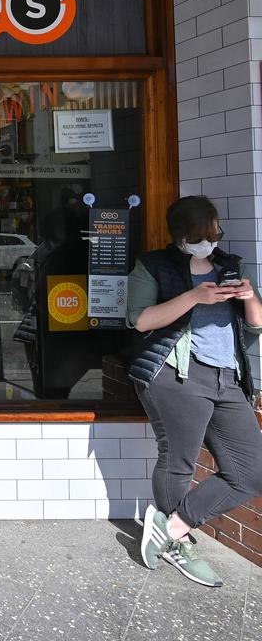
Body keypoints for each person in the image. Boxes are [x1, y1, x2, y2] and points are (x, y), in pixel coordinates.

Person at [129, 195, 262, 588]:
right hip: (175, 375)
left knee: (252, 472)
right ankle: (180, 544)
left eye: (214, 234)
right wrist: (193, 297)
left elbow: (254, 327)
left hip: (229, 378)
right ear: (181, 235)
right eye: (200, 236)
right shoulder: (152, 265)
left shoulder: (229, 265)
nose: (209, 242)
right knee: (179, 461)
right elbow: (139, 321)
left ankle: (171, 527)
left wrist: (249, 296)